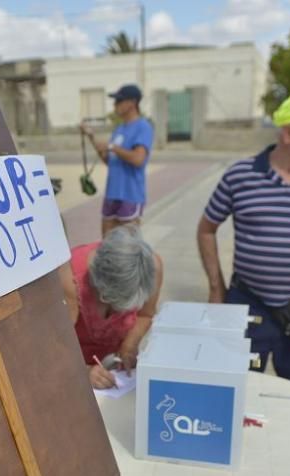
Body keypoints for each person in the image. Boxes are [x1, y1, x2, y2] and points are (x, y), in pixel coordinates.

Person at [196, 93, 290, 388]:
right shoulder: (240, 176)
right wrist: (217, 289)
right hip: (248, 307)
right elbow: (206, 229)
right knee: (240, 391)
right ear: (289, 133)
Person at [60, 226, 163, 389]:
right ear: (101, 289)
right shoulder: (68, 282)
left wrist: (129, 345)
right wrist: (83, 372)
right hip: (72, 368)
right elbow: (52, 347)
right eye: (117, 305)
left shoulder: (151, 268)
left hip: (111, 370)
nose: (121, 314)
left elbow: (145, 314)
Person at [81, 84, 154, 237]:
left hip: (130, 194)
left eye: (119, 101)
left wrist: (112, 147)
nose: (115, 105)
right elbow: (110, 161)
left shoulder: (143, 127)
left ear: (132, 103)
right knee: (106, 244)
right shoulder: (119, 129)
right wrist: (92, 137)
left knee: (127, 247)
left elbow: (138, 159)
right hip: (112, 193)